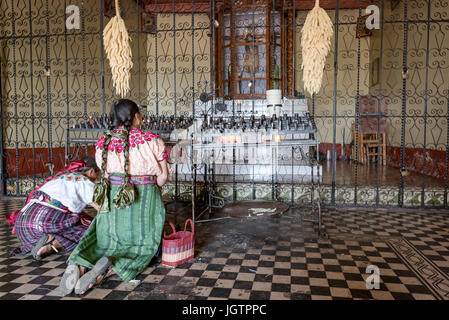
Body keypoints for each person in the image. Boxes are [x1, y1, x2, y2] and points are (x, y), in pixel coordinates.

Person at [59, 99, 168, 296]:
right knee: (142, 244)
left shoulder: (103, 142)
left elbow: (106, 174)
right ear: (136, 117)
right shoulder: (153, 140)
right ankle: (109, 269)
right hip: (145, 196)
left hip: (115, 196)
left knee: (104, 238)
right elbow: (163, 178)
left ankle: (81, 264)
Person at [11, 157, 100, 260]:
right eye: (97, 176)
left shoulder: (61, 177)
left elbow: (78, 213)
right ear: (91, 171)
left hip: (25, 232)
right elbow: (102, 208)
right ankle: (52, 242)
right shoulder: (83, 181)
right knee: (95, 233)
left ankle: (46, 242)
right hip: (40, 224)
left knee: (84, 223)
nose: (96, 180)